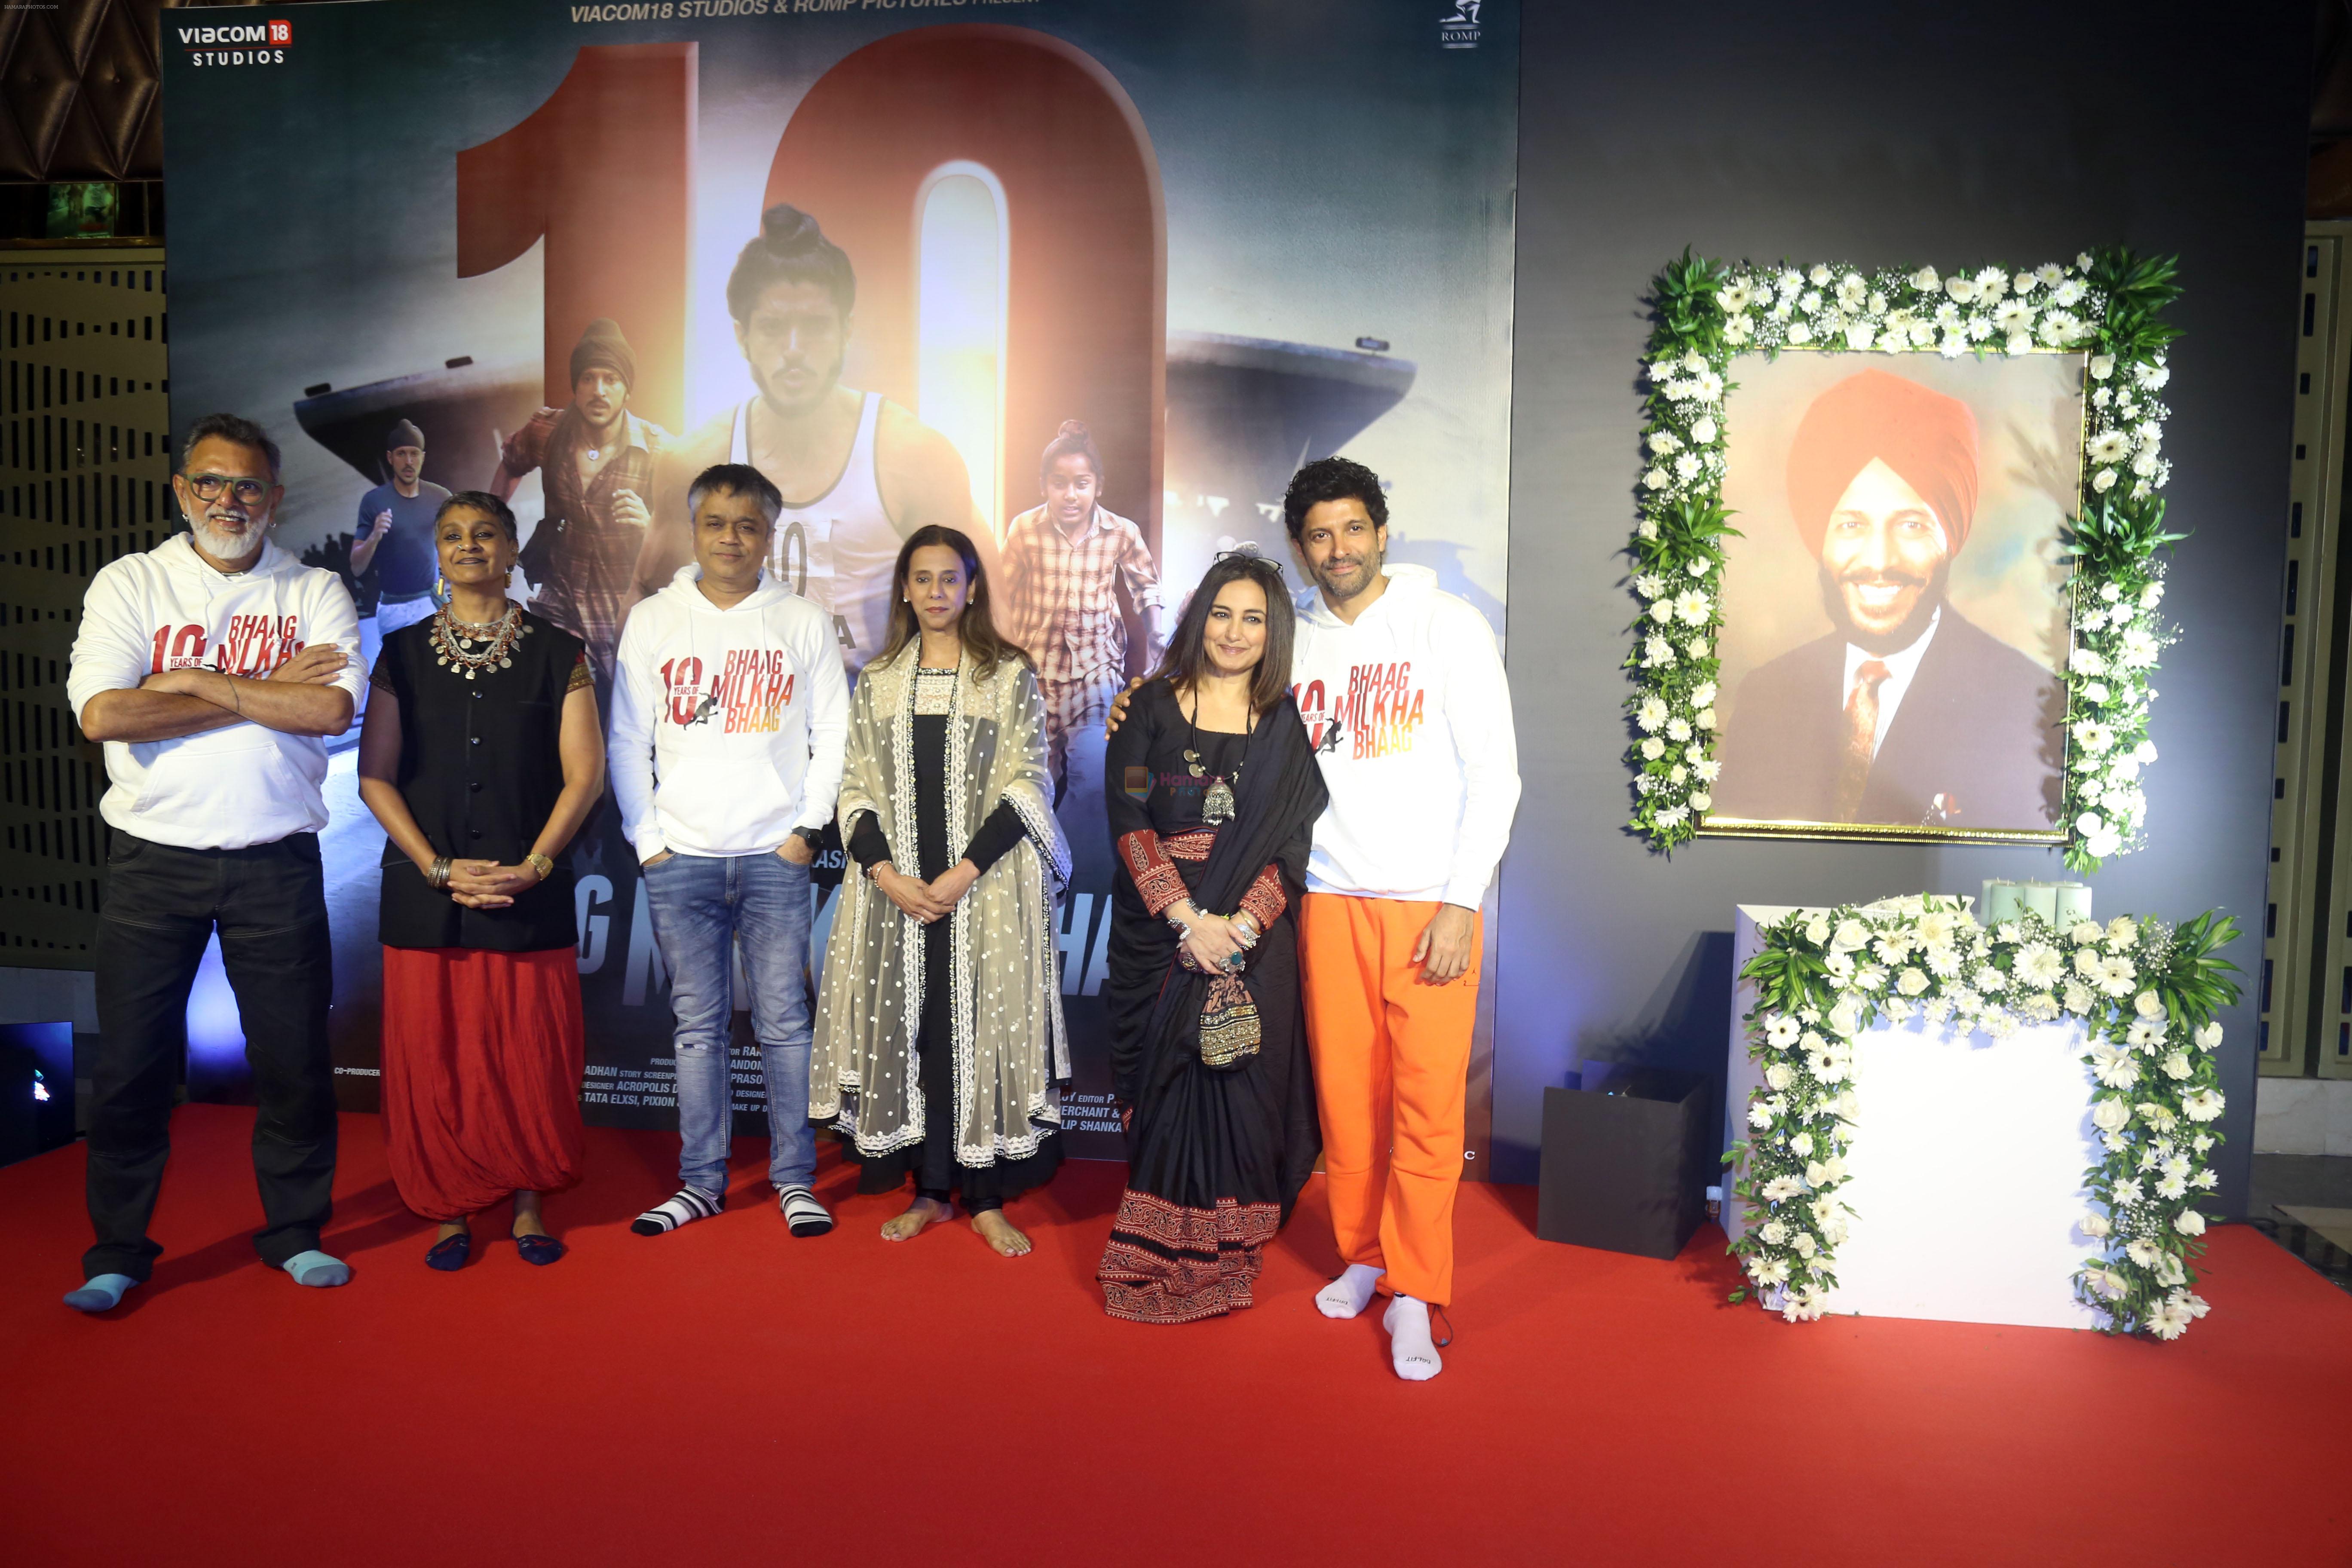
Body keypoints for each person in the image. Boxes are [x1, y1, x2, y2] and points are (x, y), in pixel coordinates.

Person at [1109, 457, 1517, 1378]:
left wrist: (1461, 901)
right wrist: (1139, 702)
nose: (1339, 550)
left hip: (1426, 906)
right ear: (1301, 545)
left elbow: (1498, 775)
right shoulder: (1295, 643)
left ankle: (1419, 1287)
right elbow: (1212, 707)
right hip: (1326, 900)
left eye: (1353, 529)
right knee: (1348, 1105)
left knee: (1423, 1104)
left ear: (1382, 529)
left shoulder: (1449, 627)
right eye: (1320, 535)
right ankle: (1366, 1258)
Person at [62, 412, 363, 1311]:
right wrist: (260, 695)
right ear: (181, 490)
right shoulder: (133, 583)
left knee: (294, 1062)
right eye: (211, 482)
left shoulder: (312, 591)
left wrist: (190, 684)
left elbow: (328, 714)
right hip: (153, 865)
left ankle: (296, 1232)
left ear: (273, 498)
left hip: (276, 864)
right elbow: (105, 716)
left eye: (247, 486)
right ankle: (118, 1250)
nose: (228, 500)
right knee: (130, 1069)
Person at [356, 491, 604, 1269]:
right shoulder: (397, 655)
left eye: (485, 534)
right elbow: (375, 777)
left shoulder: (559, 651)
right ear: (437, 553)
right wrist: (433, 865)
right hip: (426, 895)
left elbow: (585, 777)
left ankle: (529, 1200)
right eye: (453, 535)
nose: (469, 546)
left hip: (526, 890)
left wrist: (534, 866)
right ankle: (448, 1203)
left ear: (510, 550)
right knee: (436, 1055)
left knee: (528, 1053)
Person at [811, 526, 1070, 1256]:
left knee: (979, 1032)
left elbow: (1029, 782)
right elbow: (855, 787)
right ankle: (930, 1191)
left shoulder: (1006, 673)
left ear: (972, 587)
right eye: (921, 579)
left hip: (981, 894)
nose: (935, 592)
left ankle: (984, 1197)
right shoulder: (880, 678)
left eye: (948, 579)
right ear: (903, 587)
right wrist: (890, 877)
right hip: (897, 900)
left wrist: (960, 874)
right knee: (917, 1034)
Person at [609, 463, 850, 1241]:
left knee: (784, 1022)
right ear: (694, 528)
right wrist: (649, 843)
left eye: (748, 525)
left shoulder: (803, 621)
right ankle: (700, 1182)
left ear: (768, 535)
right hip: (681, 857)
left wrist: (805, 833)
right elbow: (626, 738)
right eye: (716, 522)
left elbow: (832, 738)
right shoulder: (653, 619)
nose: (731, 538)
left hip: (775, 858)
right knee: (696, 1027)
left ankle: (793, 1179)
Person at [1096, 551, 1325, 1324]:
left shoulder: (1288, 727)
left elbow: (1292, 843)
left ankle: (1231, 1244)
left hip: (1250, 944)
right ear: (1198, 618)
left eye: (1253, 617)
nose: (1234, 631)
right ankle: (1156, 1243)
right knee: (1162, 1090)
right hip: (1162, 939)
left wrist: (1243, 925)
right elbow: (1129, 818)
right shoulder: (1149, 710)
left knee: (1241, 1092)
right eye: (1221, 613)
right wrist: (1186, 920)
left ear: (1274, 632)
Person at [636, 205, 999, 681]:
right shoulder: (694, 461)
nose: (793, 348)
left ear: (846, 331)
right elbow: (647, 601)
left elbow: (985, 606)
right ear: (742, 337)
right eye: (772, 328)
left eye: (814, 326)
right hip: (748, 712)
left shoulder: (913, 454)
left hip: (881, 713)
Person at [1711, 368, 2064, 829]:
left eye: (1912, 524)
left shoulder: (2029, 703)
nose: (1879, 560)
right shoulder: (1767, 694)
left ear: (1950, 538)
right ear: (1822, 540)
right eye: (1851, 525)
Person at [998, 419, 1162, 885]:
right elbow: (1000, 598)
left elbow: (1147, 589)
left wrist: (1156, 640)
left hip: (1096, 675)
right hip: (1034, 678)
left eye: (1082, 484)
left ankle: (1066, 872)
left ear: (1098, 486)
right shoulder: (1025, 530)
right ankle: (1033, 878)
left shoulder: (1120, 532)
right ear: (1046, 485)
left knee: (1092, 775)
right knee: (1035, 787)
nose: (1071, 494)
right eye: (1060, 483)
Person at [492, 317, 671, 691]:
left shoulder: (658, 450)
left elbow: (692, 531)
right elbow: (511, 463)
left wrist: (651, 524)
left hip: (627, 606)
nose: (599, 391)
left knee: (627, 727)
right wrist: (495, 525)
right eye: (589, 378)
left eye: (611, 379)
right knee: (563, 699)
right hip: (563, 597)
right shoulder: (547, 431)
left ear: (627, 390)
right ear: (575, 386)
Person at [351, 418, 450, 639]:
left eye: (414, 454)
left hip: (432, 602)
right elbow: (357, 566)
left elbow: (458, 547)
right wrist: (375, 536)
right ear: (390, 458)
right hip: (392, 609)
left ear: (423, 458)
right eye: (401, 454)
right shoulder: (373, 501)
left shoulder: (441, 497)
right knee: (397, 673)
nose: (408, 462)